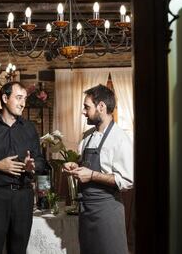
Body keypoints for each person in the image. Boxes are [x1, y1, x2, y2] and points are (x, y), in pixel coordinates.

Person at [0, 81, 45, 254]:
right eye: (18, 98)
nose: (23, 103)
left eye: (25, 99)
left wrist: (33, 166)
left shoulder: (29, 129)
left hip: (23, 196)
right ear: (5, 98)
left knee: (19, 250)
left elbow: (42, 161)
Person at [63, 84, 133, 254]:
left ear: (101, 107)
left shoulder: (120, 139)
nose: (83, 111)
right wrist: (75, 166)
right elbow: (86, 167)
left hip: (107, 212)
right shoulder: (87, 137)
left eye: (87, 106)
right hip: (86, 210)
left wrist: (92, 175)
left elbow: (127, 180)